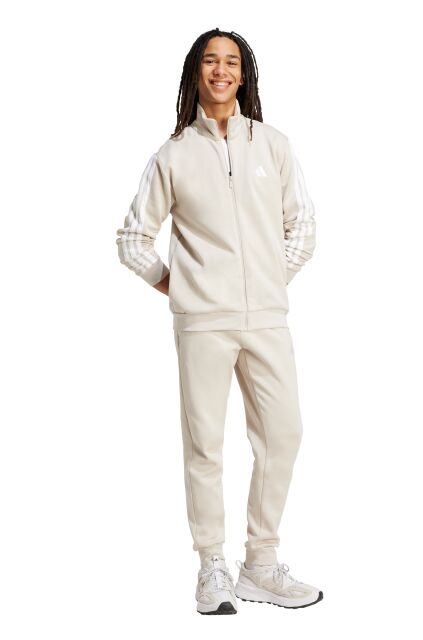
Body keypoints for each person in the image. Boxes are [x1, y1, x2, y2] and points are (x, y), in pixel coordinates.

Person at [116, 28, 322, 615]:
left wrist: (268, 280)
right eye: (210, 61)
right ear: (196, 73)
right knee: (204, 443)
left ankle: (260, 563)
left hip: (267, 319)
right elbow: (132, 239)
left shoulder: (273, 145)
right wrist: (180, 286)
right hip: (202, 321)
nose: (221, 70)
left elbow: (303, 227)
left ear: (244, 74)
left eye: (231, 61)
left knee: (283, 433)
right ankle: (211, 565)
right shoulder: (173, 155)